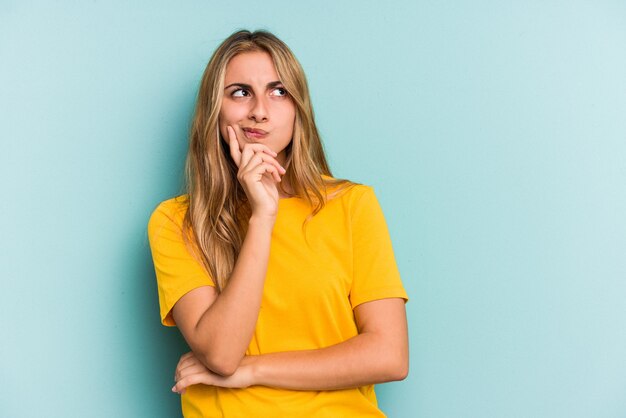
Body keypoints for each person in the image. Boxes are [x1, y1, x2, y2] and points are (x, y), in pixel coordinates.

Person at [148, 29, 409, 417]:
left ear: (297, 107)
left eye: (278, 91)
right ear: (214, 110)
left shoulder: (351, 204)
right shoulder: (177, 221)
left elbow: (389, 356)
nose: (260, 110)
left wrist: (252, 370)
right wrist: (262, 216)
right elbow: (220, 354)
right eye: (239, 92)